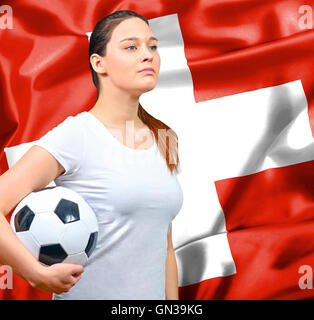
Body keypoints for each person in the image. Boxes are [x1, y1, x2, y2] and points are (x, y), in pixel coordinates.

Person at [0, 10, 183, 300]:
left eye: (152, 46)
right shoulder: (78, 135)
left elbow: (165, 247)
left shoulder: (164, 138)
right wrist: (36, 274)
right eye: (131, 47)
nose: (148, 55)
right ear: (99, 63)